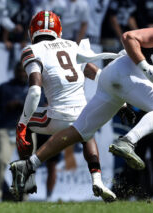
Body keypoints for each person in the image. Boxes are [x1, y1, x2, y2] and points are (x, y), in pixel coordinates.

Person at [9, 13, 153, 198]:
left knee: (79, 132)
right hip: (126, 71)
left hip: (113, 80)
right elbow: (129, 37)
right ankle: (128, 141)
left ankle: (28, 165)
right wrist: (147, 68)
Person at [9, 10, 127, 202]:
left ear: (33, 31)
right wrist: (121, 101)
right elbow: (97, 74)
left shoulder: (32, 50)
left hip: (56, 116)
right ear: (58, 30)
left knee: (27, 124)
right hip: (81, 116)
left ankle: (27, 175)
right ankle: (97, 179)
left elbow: (35, 92)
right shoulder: (72, 45)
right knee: (87, 131)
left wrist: (22, 123)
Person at [0, 62, 28, 201]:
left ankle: (24, 196)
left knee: (27, 164)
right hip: (6, 128)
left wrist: (23, 105)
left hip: (27, 130)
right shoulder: (5, 88)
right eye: (20, 71)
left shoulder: (34, 89)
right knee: (2, 160)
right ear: (15, 72)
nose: (22, 74)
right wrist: (8, 105)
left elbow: (43, 107)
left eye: (24, 71)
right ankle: (1, 193)